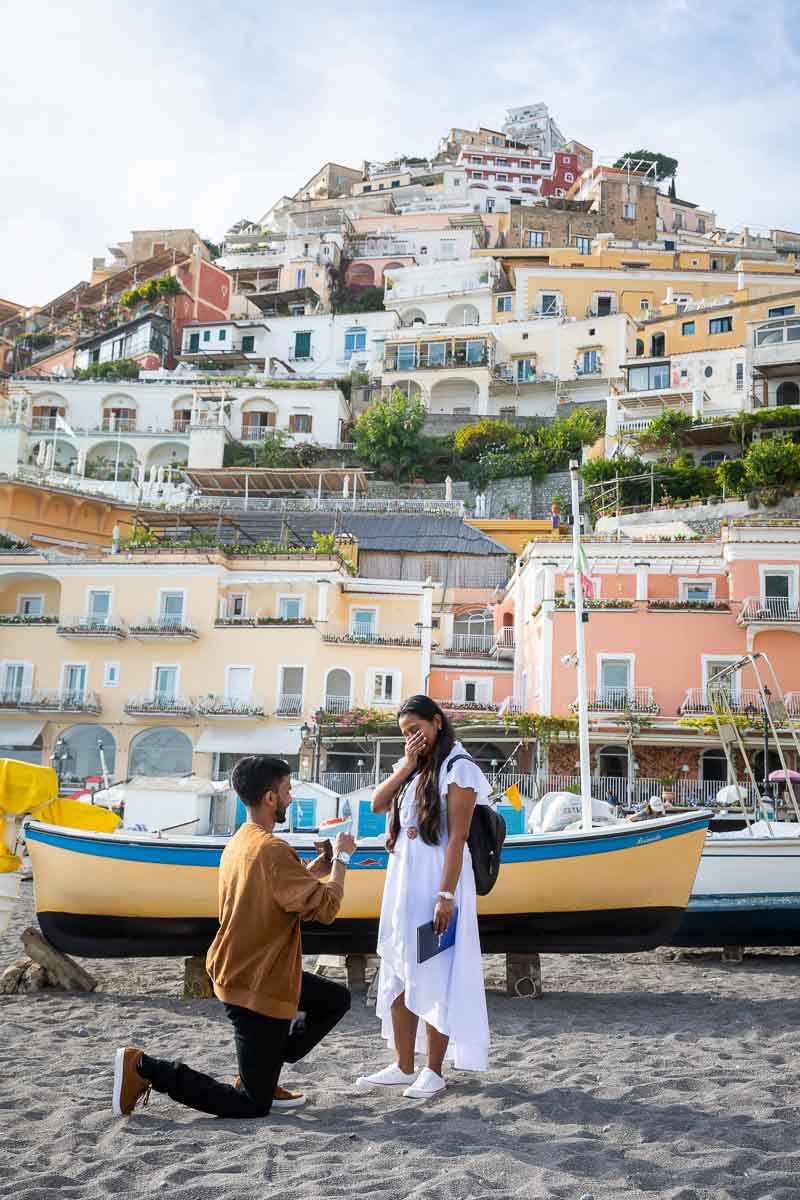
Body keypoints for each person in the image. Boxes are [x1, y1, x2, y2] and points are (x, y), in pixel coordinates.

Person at [112, 755, 355, 1119]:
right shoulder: (272, 849)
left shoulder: (243, 841)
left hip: (254, 968)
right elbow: (327, 908)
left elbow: (268, 893)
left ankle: (265, 1064)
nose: (290, 798)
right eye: (287, 790)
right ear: (270, 797)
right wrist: (342, 861)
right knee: (251, 1106)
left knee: (334, 999)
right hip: (254, 981)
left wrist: (310, 872)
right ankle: (143, 1068)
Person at [356, 695, 491, 1099]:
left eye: (417, 729)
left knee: (435, 969)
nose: (412, 738)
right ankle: (403, 1064)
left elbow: (458, 840)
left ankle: (433, 1069)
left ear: (437, 722)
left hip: (437, 885)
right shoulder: (414, 769)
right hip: (403, 886)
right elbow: (378, 803)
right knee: (398, 966)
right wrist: (408, 765)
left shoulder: (459, 768)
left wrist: (445, 895)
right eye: (404, 734)